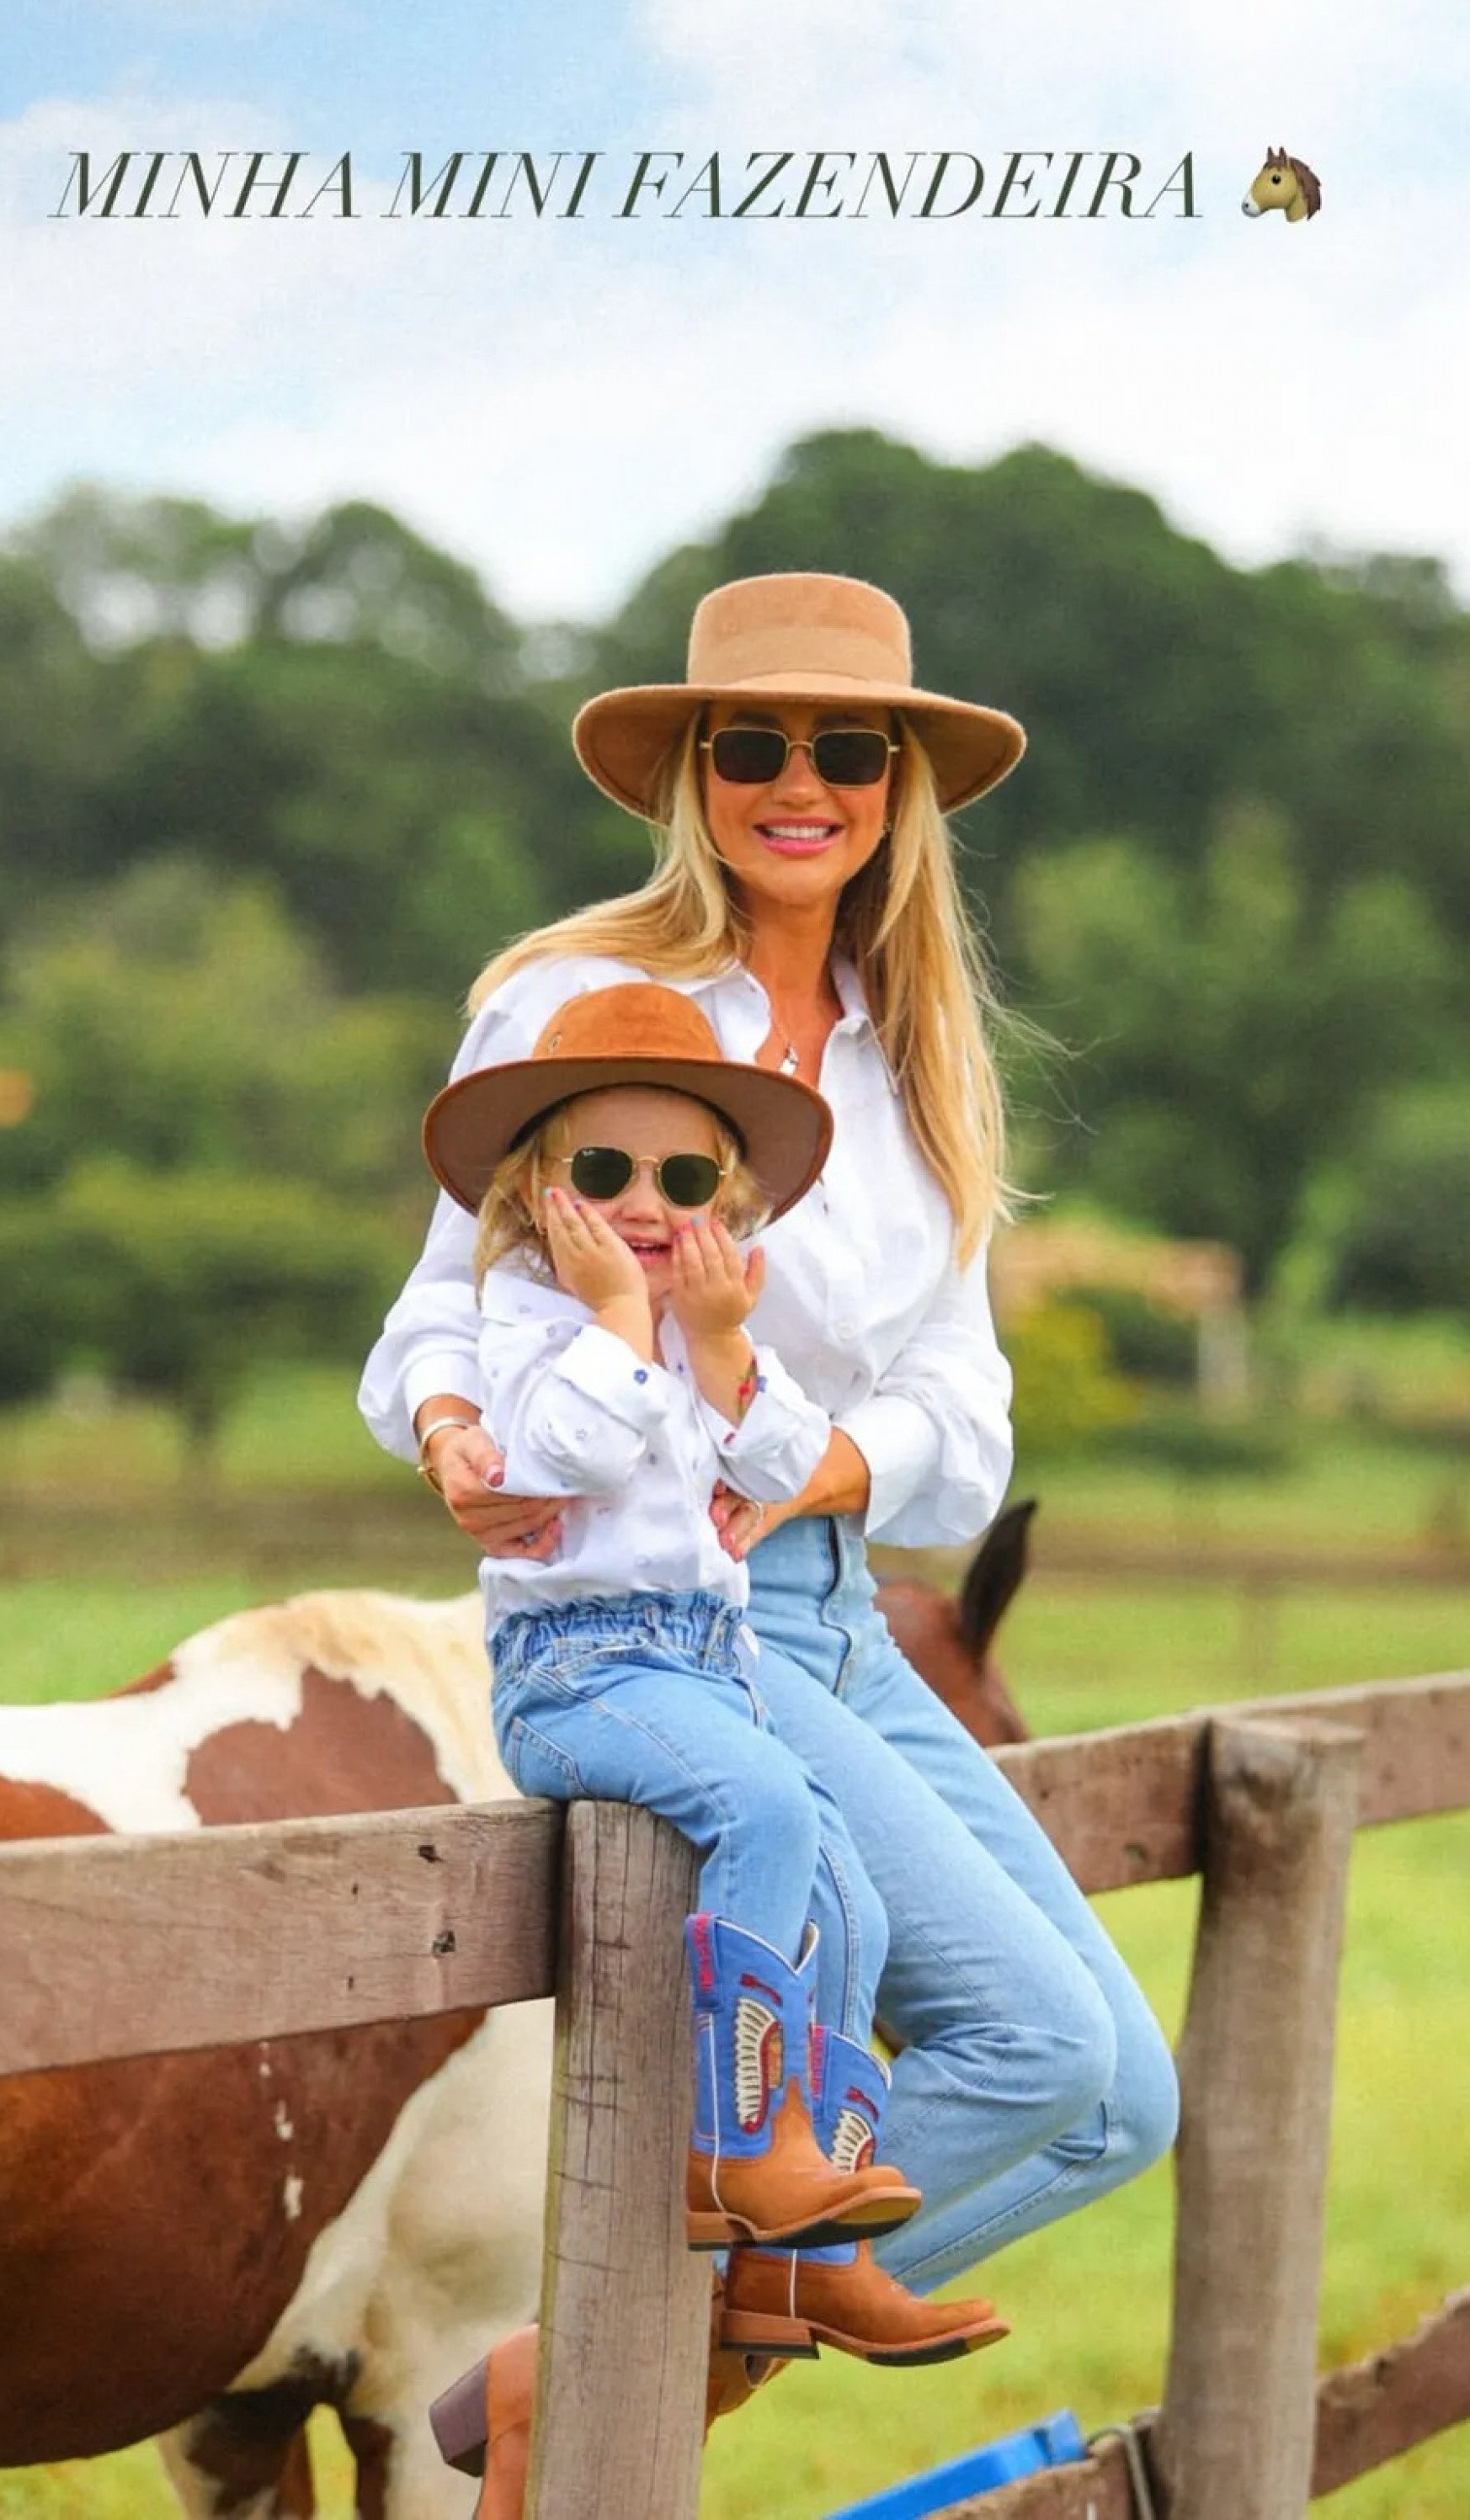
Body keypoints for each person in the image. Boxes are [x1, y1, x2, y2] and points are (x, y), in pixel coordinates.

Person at [362, 572, 1179, 2473]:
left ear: (901, 786)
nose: (796, 784)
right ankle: (604, 2384)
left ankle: (582, 2379)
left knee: (1123, 2096)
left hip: (838, 1596)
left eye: (845, 750)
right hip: (670, 1618)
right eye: (753, 744)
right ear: (694, 775)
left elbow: (967, 1423)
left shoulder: (926, 1067)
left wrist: (815, 1464)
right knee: (1040, 2059)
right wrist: (458, 1430)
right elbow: (426, 1314)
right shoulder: (575, 1001)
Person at [419, 981, 1004, 2507]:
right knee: (768, 1814)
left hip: (703, 1662)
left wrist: (731, 1351)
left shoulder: (701, 1328)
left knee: (855, 1902)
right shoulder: (530, 1322)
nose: (644, 1209)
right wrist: (625, 1322)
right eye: (602, 1176)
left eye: (684, 1183)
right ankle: (732, 2146)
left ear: (730, 1207)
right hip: (578, 1674)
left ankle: (802, 2253)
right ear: (538, 1194)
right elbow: (562, 1455)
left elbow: (780, 1465)